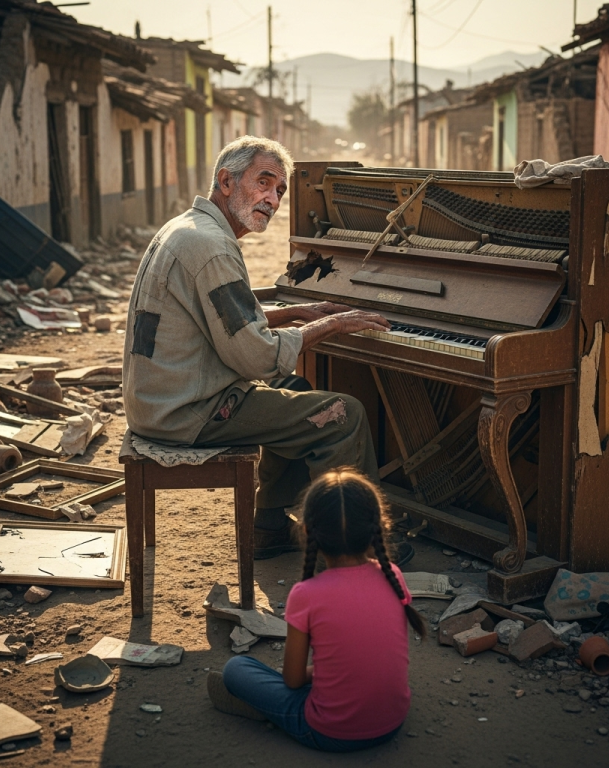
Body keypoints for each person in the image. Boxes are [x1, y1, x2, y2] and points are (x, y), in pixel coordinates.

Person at [122, 136, 391, 559]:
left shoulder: (190, 228)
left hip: (160, 399)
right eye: (263, 183)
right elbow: (256, 356)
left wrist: (303, 311)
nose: (273, 199)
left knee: (296, 390)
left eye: (281, 190)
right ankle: (351, 551)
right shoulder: (212, 247)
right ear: (226, 182)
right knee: (344, 415)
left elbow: (221, 323)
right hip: (187, 412)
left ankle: (267, 526)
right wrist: (332, 323)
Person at [206, 469, 426, 752]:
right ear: (378, 526)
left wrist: (319, 673)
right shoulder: (392, 573)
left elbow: (293, 680)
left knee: (236, 668)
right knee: (342, 677)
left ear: (308, 531)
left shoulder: (306, 594)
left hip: (329, 731)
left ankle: (264, 710)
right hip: (393, 722)